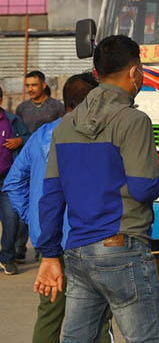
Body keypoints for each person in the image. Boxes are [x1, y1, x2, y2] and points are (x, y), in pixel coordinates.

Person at [34, 35, 159, 342]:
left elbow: (52, 196)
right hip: (122, 246)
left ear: (97, 72)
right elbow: (142, 188)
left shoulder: (65, 126)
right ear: (135, 71)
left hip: (78, 251)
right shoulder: (133, 120)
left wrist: (49, 255)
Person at [3, 73, 114, 343]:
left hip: (50, 239)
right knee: (99, 316)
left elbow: (14, 183)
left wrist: (35, 217)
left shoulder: (41, 135)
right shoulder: (104, 134)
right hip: (91, 239)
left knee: (50, 314)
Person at [0, 87, 32, 274]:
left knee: (11, 220)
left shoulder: (13, 121)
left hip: (8, 181)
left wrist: (20, 141)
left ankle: (7, 258)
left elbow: (29, 139)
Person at [17, 71, 66, 135]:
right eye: (27, 86)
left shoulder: (57, 106)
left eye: (34, 85)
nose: (30, 89)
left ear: (43, 85)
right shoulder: (22, 108)